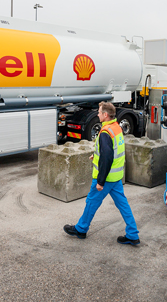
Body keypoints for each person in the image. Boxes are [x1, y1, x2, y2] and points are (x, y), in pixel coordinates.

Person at [63, 102, 140, 245]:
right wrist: (96, 156)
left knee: (91, 202)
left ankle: (81, 229)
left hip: (107, 177)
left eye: (99, 112)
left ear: (105, 115)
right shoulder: (116, 128)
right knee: (123, 205)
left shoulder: (105, 132)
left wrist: (100, 181)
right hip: (116, 176)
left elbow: (107, 157)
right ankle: (133, 234)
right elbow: (112, 151)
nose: (97, 114)